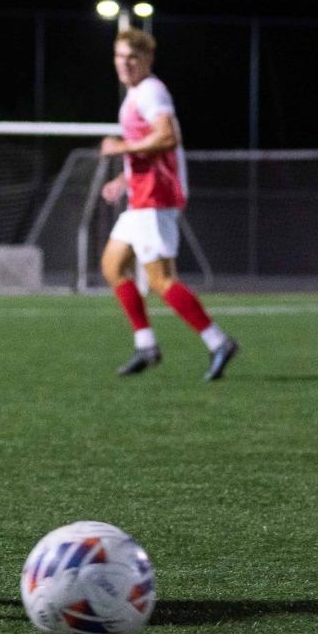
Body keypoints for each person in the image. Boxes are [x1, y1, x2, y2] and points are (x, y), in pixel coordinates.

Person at [97, 26, 238, 381]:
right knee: (113, 265)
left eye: (133, 57)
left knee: (161, 280)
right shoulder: (135, 95)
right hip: (141, 195)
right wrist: (123, 179)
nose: (125, 64)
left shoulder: (151, 91)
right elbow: (150, 148)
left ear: (147, 60)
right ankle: (146, 345)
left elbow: (167, 136)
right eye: (120, 56)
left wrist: (119, 149)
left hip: (155, 198)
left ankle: (218, 341)